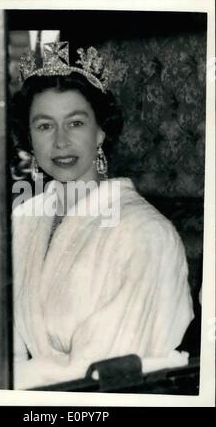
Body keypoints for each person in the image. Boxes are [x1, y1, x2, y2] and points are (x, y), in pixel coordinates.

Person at [10, 41, 194, 390]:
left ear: (101, 132)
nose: (61, 142)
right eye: (45, 126)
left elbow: (103, 377)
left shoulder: (144, 233)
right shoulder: (25, 220)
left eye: (75, 123)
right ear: (29, 139)